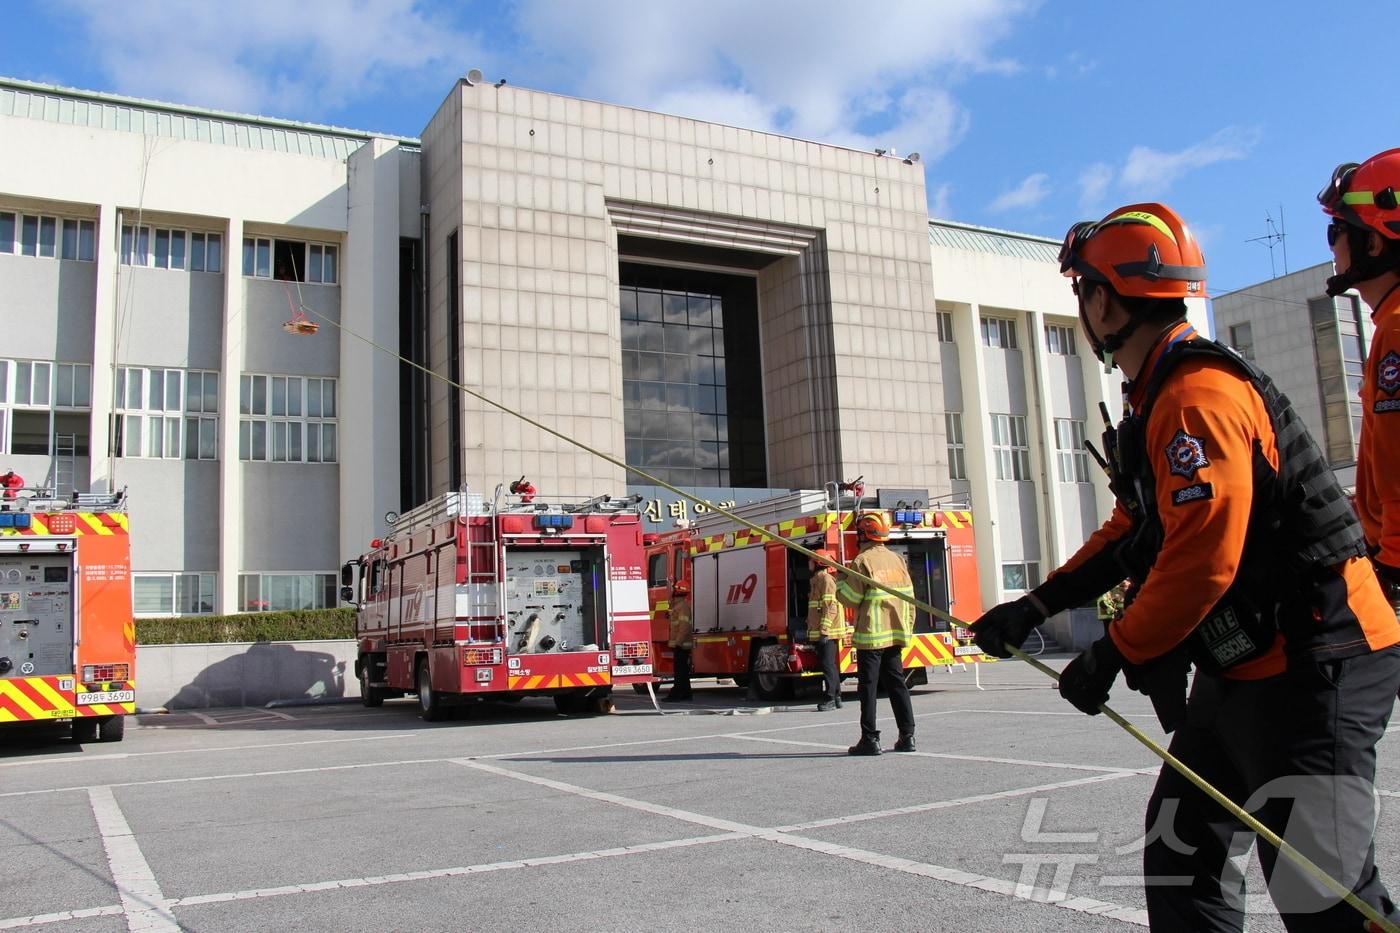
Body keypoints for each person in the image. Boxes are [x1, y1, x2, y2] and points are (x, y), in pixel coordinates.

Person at [971, 202, 1400, 931]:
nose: (1083, 308)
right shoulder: (1160, 397)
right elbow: (1133, 530)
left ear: (1103, 301)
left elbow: (1204, 556)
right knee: (1182, 856)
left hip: (1316, 660)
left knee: (1323, 893)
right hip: (1246, 666)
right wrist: (1035, 605)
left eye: (1083, 292)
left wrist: (1114, 651)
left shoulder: (1199, 397)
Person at [1317, 150, 1400, 616]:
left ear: (1375, 243)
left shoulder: (1396, 329)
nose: (1331, 247)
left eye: (1337, 231)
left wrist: (1390, 573)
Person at [836, 513, 915, 755]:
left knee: (868, 688)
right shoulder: (897, 560)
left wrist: (840, 580)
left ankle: (869, 739)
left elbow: (848, 598)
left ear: (863, 534)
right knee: (897, 684)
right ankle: (907, 736)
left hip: (871, 636)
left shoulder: (862, 561)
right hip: (895, 634)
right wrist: (907, 627)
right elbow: (910, 598)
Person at [806, 548, 844, 711]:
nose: (808, 563)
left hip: (828, 631)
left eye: (810, 561)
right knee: (829, 665)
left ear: (817, 563)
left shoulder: (826, 580)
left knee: (828, 665)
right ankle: (836, 697)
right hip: (823, 630)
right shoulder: (818, 579)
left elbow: (831, 607)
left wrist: (824, 630)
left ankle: (830, 698)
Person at [663, 580, 693, 702]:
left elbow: (684, 627)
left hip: (681, 645)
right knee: (683, 671)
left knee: (679, 671)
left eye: (674, 589)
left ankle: (677, 694)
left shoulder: (682, 607)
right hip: (681, 644)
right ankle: (686, 693)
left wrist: (678, 643)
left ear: (677, 591)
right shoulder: (679, 606)